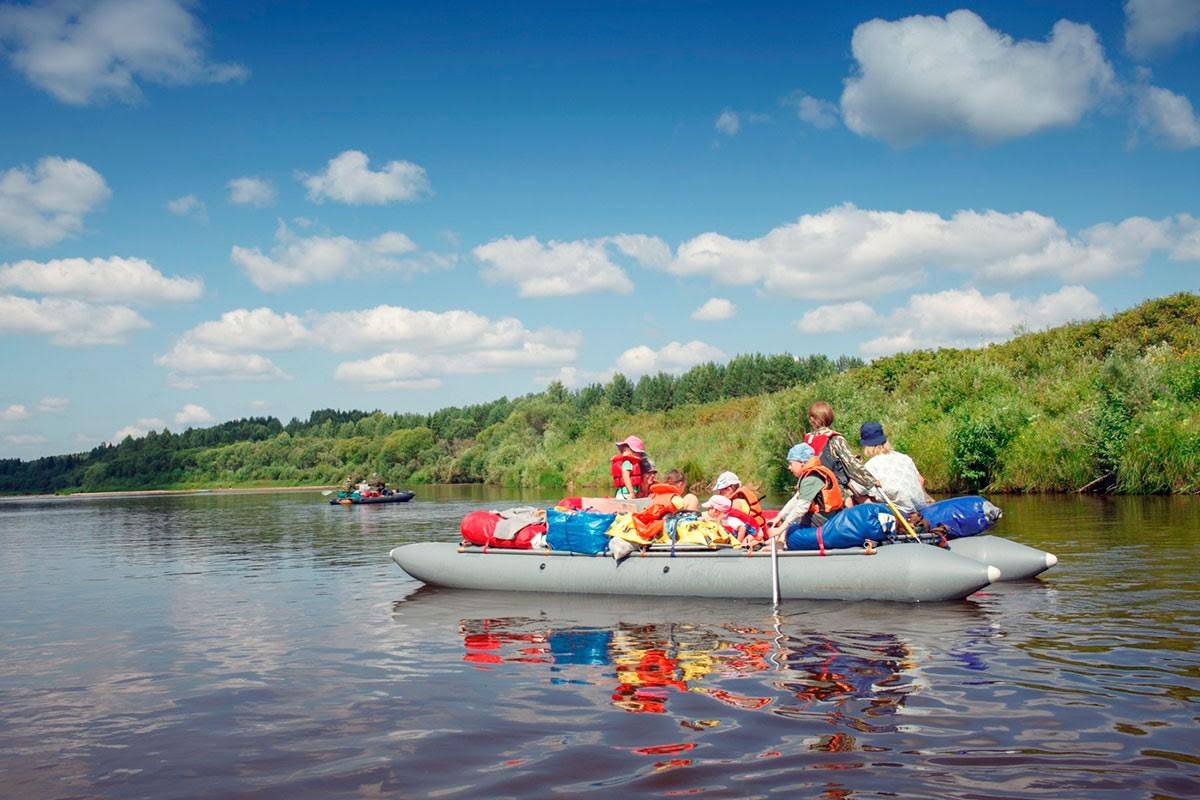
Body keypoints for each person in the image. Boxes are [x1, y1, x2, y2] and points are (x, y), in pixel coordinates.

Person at [767, 442, 845, 542]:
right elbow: (796, 499)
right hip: (825, 518)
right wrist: (779, 517)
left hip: (825, 521)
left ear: (801, 462)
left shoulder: (812, 477)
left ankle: (780, 542)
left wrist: (781, 528)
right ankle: (779, 540)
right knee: (790, 519)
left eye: (791, 463)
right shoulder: (811, 474)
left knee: (794, 521)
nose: (789, 468)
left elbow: (801, 507)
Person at [803, 401, 877, 504]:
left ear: (812, 419)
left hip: (811, 490)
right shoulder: (836, 439)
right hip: (833, 490)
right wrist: (871, 481)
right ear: (830, 418)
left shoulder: (807, 440)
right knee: (860, 498)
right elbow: (851, 465)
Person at [859, 422, 934, 515]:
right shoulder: (905, 458)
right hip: (921, 509)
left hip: (900, 514)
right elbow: (921, 480)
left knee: (859, 495)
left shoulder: (870, 466)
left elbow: (859, 490)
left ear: (866, 445)